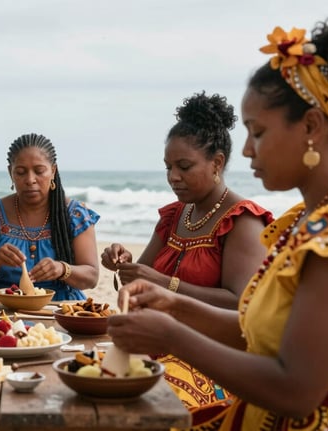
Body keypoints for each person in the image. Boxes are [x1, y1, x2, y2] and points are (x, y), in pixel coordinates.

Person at [108, 18, 328, 430]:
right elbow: (263, 334)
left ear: (311, 126)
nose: (247, 150)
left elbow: (296, 390)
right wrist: (176, 305)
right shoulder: (308, 221)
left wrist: (171, 335)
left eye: (258, 132)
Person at [100, 93, 273, 409]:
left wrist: (165, 285)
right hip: (155, 343)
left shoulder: (243, 221)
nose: (173, 177)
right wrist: (122, 264)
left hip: (211, 361)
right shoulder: (174, 216)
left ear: (217, 162)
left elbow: (242, 306)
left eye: (184, 166)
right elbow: (139, 283)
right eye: (168, 167)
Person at [0, 133, 100, 301]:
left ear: (53, 171)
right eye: (20, 172)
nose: (30, 180)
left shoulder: (75, 215)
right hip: (0, 308)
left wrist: (63, 269)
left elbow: (91, 277)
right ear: (10, 173)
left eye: (39, 171)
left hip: (60, 309)